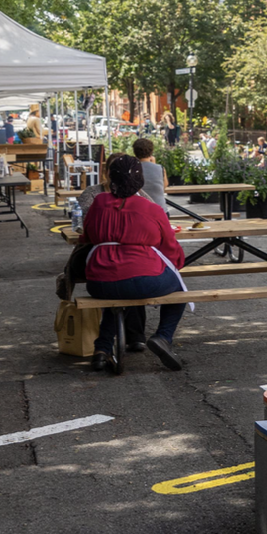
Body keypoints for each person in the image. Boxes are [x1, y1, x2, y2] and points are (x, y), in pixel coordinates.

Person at [79, 154, 188, 371]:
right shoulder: (152, 209)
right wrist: (176, 265)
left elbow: (87, 236)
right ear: (140, 180)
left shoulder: (99, 202)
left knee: (119, 292)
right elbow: (170, 247)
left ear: (111, 177)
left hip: (99, 280)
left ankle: (102, 348)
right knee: (179, 291)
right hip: (141, 278)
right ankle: (163, 337)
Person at [132, 137, 168, 210]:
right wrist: (154, 164)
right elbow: (164, 186)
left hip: (139, 210)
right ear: (151, 152)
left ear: (134, 152)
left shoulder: (131, 169)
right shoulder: (160, 168)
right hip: (161, 210)